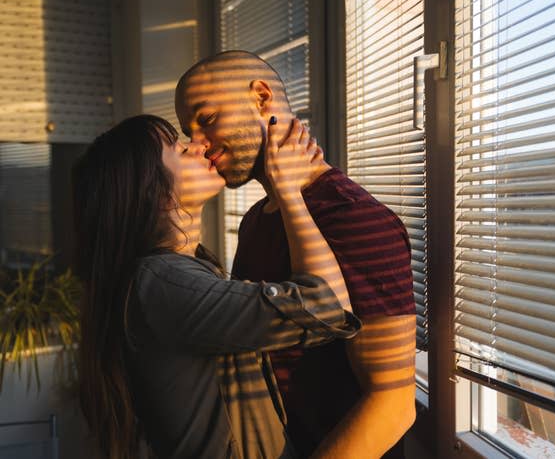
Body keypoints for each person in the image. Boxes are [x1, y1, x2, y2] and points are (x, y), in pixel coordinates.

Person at [72, 114, 361, 459]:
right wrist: (289, 192)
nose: (200, 145)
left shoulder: (178, 273)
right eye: (179, 149)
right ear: (154, 193)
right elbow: (328, 307)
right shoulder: (163, 284)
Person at [176, 51, 416, 458]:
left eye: (207, 119)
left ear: (261, 97)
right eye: (189, 131)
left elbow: (391, 404)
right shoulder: (256, 220)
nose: (198, 144)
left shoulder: (352, 217)